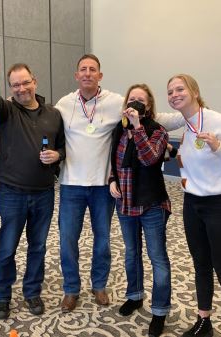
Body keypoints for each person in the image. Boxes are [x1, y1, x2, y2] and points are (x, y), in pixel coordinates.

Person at [55, 54, 184, 313]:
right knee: (68, 240)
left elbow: (157, 118)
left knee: (102, 240)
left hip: (104, 186)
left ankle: (99, 284)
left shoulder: (117, 103)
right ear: (76, 75)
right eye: (83, 69)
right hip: (71, 184)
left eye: (93, 69)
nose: (88, 73)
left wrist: (192, 111)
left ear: (100, 75)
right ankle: (71, 289)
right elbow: (43, 122)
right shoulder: (63, 104)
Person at [166, 74, 221, 337]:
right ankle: (204, 322)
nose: (174, 95)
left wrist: (219, 148)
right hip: (193, 205)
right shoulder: (187, 125)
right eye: (170, 91)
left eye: (179, 89)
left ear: (194, 90)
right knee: (201, 266)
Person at [0, 58, 65, 319]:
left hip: (43, 193)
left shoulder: (53, 114)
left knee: (37, 246)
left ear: (34, 81)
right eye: (14, 85)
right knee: (7, 247)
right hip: (12, 193)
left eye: (25, 82)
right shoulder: (7, 111)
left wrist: (57, 155)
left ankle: (32, 292)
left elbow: (63, 146)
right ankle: (3, 295)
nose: (21, 88)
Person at [109, 84, 172, 337]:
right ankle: (135, 296)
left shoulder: (158, 131)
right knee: (131, 252)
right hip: (124, 202)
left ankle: (159, 310)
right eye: (131, 99)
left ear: (148, 105)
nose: (135, 103)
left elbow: (149, 159)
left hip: (151, 203)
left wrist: (137, 127)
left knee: (157, 257)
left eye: (140, 100)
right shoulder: (119, 129)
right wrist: (112, 180)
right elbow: (113, 158)